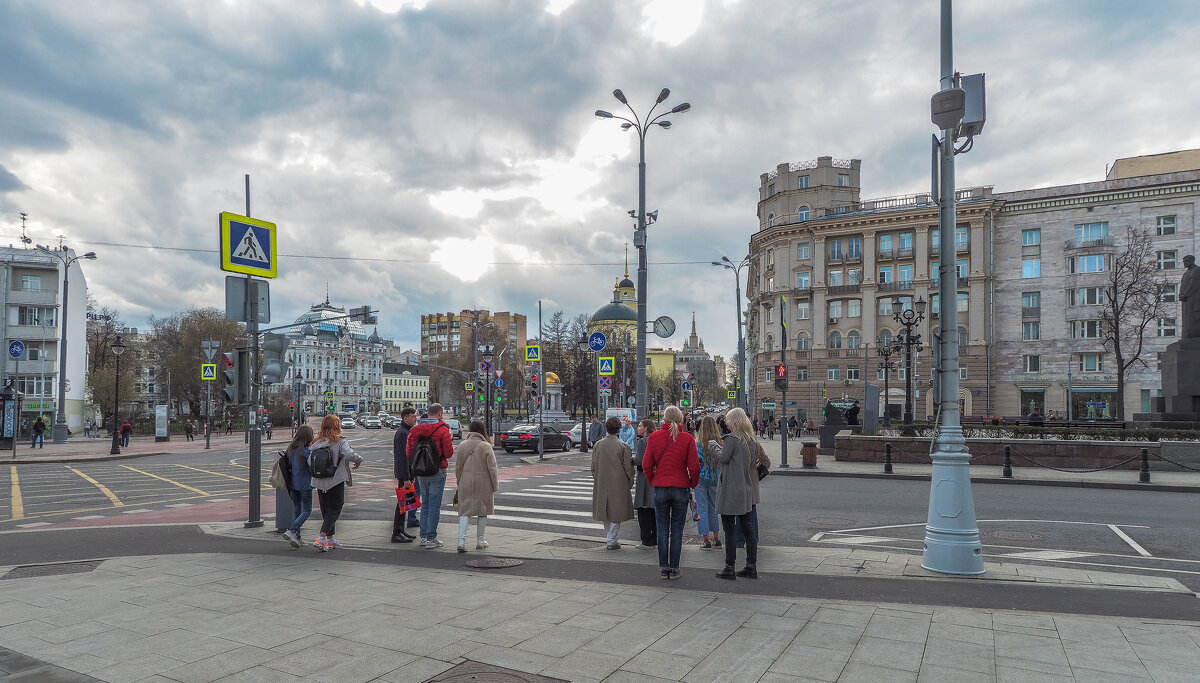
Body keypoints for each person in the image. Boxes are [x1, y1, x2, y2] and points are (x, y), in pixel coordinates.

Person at [642, 405, 700, 580]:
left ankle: (663, 568)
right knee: (676, 529)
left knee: (661, 528)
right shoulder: (687, 438)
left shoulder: (653, 437)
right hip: (681, 488)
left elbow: (646, 465)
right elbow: (694, 467)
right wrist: (691, 484)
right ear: (680, 419)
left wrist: (654, 481)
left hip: (660, 487)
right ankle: (674, 568)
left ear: (664, 420)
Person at [715, 408, 760, 580]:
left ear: (735, 421)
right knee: (748, 529)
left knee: (730, 530)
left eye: (728, 421)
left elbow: (724, 458)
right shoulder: (752, 441)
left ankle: (729, 567)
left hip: (731, 490)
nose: (726, 424)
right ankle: (751, 566)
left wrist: (713, 446)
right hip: (746, 489)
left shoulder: (732, 439)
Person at [309, 414, 362, 552]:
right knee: (336, 507)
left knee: (326, 509)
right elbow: (348, 453)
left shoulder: (317, 442)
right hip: (335, 479)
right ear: (337, 426)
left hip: (320, 480)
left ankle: (330, 540)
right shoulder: (340, 440)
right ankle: (321, 537)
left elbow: (310, 461)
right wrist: (359, 459)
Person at [406, 403, 454, 549]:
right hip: (437, 471)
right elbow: (448, 453)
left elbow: (409, 453)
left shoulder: (415, 430)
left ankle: (423, 537)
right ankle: (432, 538)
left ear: (428, 413)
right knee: (434, 506)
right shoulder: (442, 429)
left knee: (425, 504)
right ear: (439, 414)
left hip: (421, 472)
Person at [592, 417, 635, 550]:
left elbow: (593, 467)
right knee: (616, 512)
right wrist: (630, 481)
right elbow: (628, 468)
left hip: (602, 481)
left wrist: (597, 478)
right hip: (619, 482)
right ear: (619, 429)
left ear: (606, 428)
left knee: (605, 511)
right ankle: (612, 540)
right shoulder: (623, 446)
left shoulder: (598, 445)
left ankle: (610, 538)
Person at [455, 420, 498, 553]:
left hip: (466, 481)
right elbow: (492, 468)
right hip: (483, 481)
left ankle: (461, 541)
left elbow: (458, 467)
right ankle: (480, 540)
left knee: (464, 511)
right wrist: (494, 484)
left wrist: (459, 481)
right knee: (482, 511)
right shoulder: (486, 445)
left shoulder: (462, 445)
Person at [281, 425, 315, 548]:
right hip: (305, 484)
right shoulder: (307, 451)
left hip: (293, 484)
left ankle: (297, 538)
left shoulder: (291, 449)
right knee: (307, 510)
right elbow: (313, 467)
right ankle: (292, 530)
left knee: (297, 508)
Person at [391, 407, 419, 543]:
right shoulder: (403, 433)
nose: (415, 418)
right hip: (404, 474)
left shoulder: (406, 431)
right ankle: (396, 532)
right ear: (405, 418)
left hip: (406, 473)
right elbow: (403, 457)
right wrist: (407, 477)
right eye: (413, 416)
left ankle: (400, 530)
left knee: (405, 504)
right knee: (402, 504)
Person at [694, 415, 722, 550]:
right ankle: (716, 538)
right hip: (715, 479)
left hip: (700, 479)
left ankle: (706, 540)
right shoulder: (719, 443)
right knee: (714, 509)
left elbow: (695, 463)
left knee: (702, 509)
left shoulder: (698, 444)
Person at [631, 418, 657, 549]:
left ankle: (646, 541)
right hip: (656, 477)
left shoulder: (642, 441)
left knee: (644, 508)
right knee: (654, 510)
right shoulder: (657, 439)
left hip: (645, 478)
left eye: (640, 426)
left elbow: (640, 460)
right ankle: (656, 539)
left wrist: (631, 460)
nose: (638, 428)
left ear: (646, 428)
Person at [1180, 254, 1199, 338]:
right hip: (1185, 299)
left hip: (1193, 298)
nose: (1184, 263)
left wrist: (1185, 295)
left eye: (1186, 261)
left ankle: (1192, 334)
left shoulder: (1197, 270)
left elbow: (1193, 285)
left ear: (1192, 260)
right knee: (1185, 319)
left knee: (1191, 318)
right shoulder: (1186, 273)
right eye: (1184, 261)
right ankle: (1186, 335)